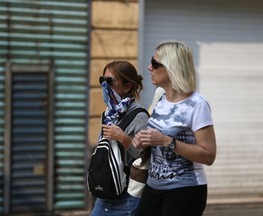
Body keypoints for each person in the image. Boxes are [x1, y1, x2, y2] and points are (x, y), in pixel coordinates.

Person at [133, 41, 217, 216]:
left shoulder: (197, 104)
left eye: (155, 63)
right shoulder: (161, 98)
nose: (149, 67)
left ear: (172, 67)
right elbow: (156, 138)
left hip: (185, 189)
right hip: (153, 186)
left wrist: (166, 141)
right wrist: (143, 140)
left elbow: (209, 155)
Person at [90, 60, 150, 216]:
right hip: (104, 193)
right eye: (102, 80)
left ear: (127, 86)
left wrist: (123, 138)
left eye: (109, 81)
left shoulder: (140, 116)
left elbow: (145, 158)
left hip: (126, 198)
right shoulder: (108, 114)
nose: (104, 86)